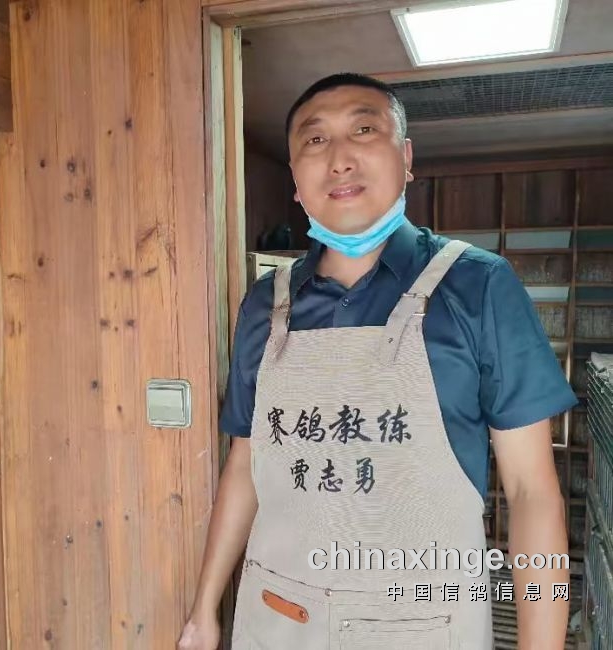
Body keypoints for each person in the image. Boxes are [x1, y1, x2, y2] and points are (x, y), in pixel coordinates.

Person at [178, 72, 578, 650]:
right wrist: (203, 608)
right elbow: (247, 462)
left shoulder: (479, 286)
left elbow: (531, 491)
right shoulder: (266, 303)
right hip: (278, 620)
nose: (339, 159)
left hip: (426, 627)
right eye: (315, 140)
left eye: (364, 130)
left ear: (406, 157)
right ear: (295, 178)